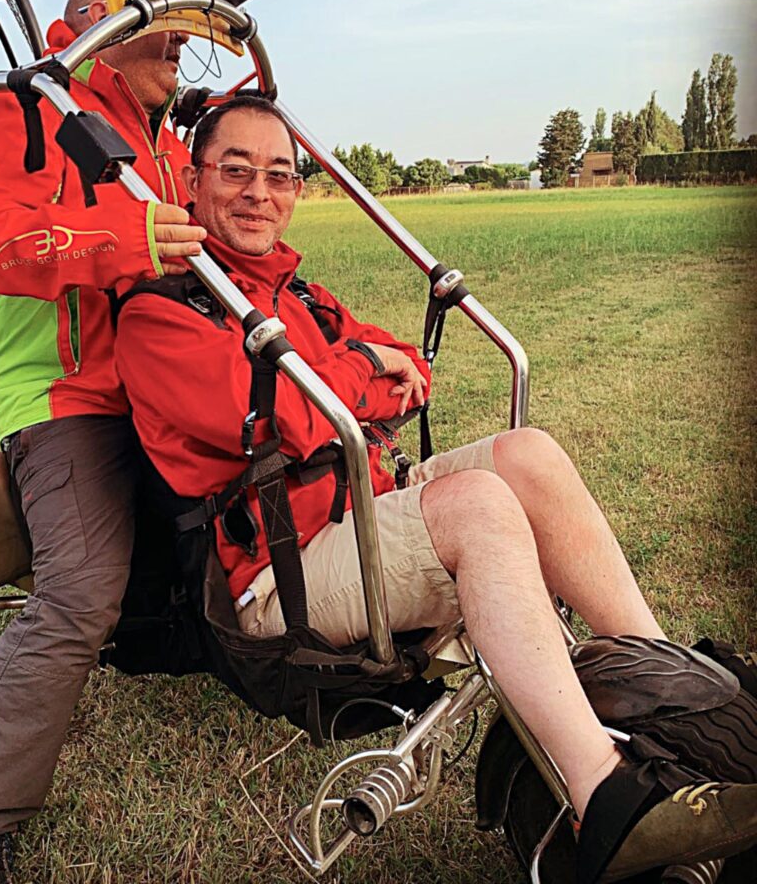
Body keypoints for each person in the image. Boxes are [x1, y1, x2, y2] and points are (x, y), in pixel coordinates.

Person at [114, 96, 757, 883]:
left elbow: (403, 371)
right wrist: (356, 379)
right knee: (478, 506)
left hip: (356, 513)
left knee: (527, 454)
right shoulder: (159, 314)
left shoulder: (295, 292)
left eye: (278, 175)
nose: (258, 192)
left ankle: (671, 691)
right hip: (277, 581)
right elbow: (296, 416)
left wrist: (361, 380)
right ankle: (609, 802)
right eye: (235, 171)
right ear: (190, 177)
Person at [0, 0, 207, 884]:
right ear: (93, 27)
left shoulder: (164, 139)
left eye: (184, 34)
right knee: (78, 596)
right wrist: (118, 243)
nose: (178, 46)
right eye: (160, 29)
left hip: (162, 382)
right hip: (64, 395)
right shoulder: (28, 112)